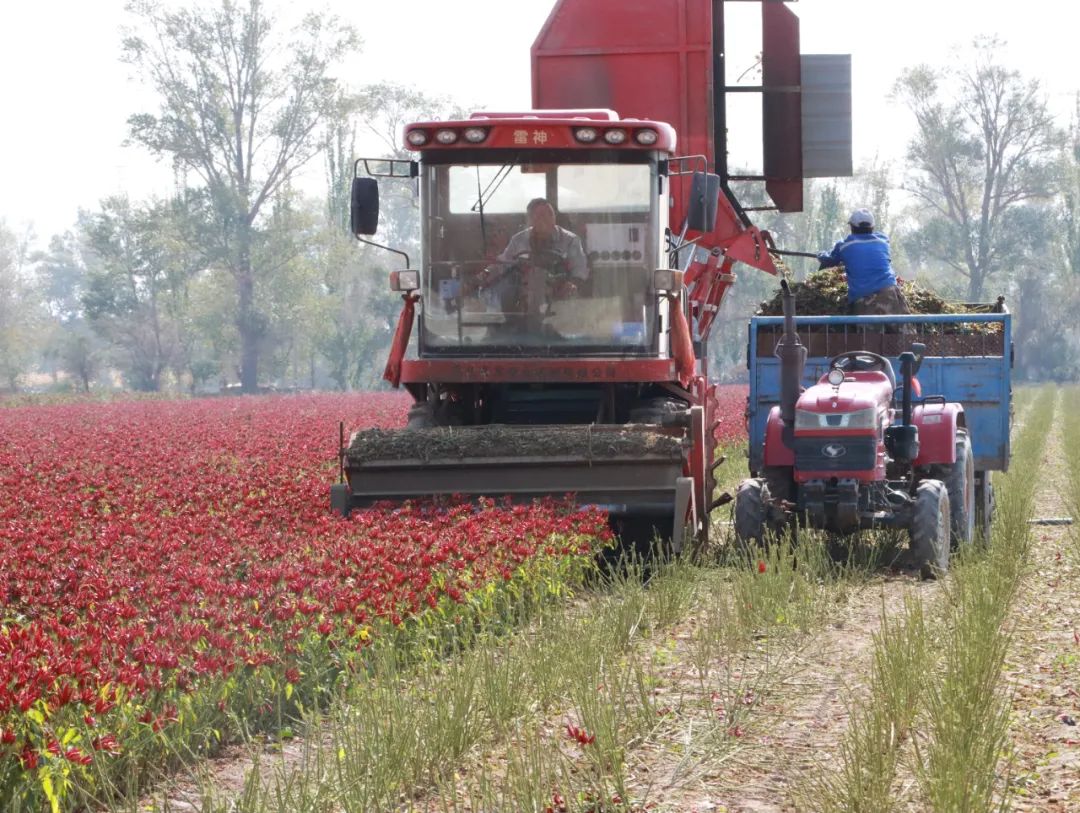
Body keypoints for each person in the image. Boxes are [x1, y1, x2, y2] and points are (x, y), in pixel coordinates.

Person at [482, 197, 588, 319]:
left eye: (550, 214)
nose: (547, 218)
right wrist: (485, 274)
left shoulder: (570, 240)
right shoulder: (518, 240)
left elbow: (580, 268)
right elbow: (503, 263)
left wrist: (571, 284)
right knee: (503, 293)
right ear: (530, 219)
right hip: (523, 289)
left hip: (557, 290)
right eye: (541, 215)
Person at [818, 208, 909, 315]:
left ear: (852, 227)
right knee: (905, 330)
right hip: (890, 293)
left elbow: (829, 260)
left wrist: (820, 255)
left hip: (864, 299)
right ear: (872, 227)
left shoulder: (845, 246)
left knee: (870, 332)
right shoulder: (883, 241)